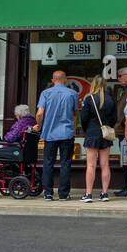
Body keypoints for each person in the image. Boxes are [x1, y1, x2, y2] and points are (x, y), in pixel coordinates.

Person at [35, 69, 78, 201]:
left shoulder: (46, 93)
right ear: (65, 80)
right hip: (67, 133)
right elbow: (75, 113)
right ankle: (63, 194)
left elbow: (40, 113)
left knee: (48, 163)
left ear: (53, 80)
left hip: (50, 134)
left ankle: (48, 193)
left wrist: (40, 126)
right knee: (66, 163)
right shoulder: (72, 93)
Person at [78, 75, 118, 202]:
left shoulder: (89, 99)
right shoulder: (110, 99)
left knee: (91, 165)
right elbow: (114, 119)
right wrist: (108, 126)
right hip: (105, 133)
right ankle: (104, 193)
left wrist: (87, 129)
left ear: (93, 84)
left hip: (92, 132)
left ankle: (88, 194)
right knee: (105, 164)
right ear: (105, 85)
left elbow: (83, 118)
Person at [112, 66, 127, 196]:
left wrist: (123, 123)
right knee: (125, 160)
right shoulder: (124, 90)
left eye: (120, 75)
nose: (118, 78)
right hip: (122, 130)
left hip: (126, 131)